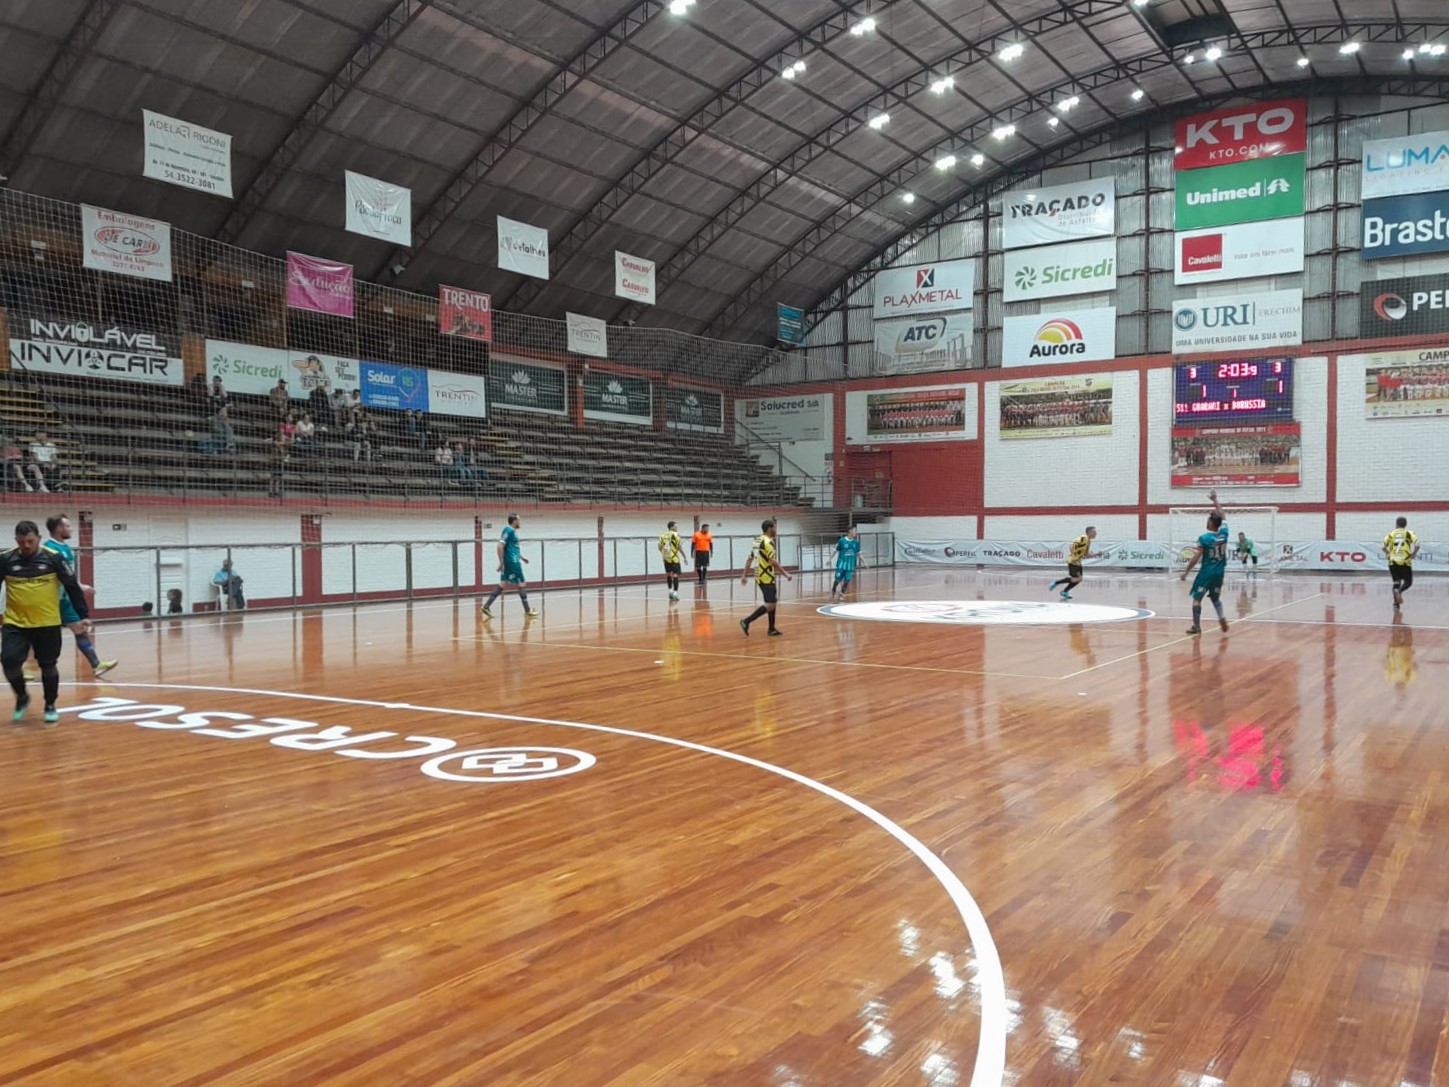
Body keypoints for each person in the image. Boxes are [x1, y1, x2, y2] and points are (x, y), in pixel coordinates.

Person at [0, 520, 91, 724]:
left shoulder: (53, 558)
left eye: (30, 541)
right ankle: (22, 696)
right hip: (15, 623)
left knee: (48, 666)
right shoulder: (6, 559)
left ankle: (50, 705)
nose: (26, 546)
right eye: (21, 542)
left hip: (47, 622)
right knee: (9, 662)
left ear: (39, 539)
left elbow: (71, 585)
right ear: (16, 540)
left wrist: (83, 614)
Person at [36, 515, 116, 678]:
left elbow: (68, 575)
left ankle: (96, 665)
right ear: (59, 528)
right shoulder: (47, 549)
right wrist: (80, 586)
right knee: (39, 635)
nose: (71, 529)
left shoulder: (66, 548)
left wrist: (79, 586)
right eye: (68, 526)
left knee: (79, 629)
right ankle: (26, 668)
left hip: (64, 599)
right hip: (49, 600)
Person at [1180, 491, 1230, 636]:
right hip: (1219, 573)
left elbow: (1196, 557)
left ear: (1212, 523)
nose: (1207, 522)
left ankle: (1196, 626)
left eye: (1208, 520)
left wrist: (1186, 572)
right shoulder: (1224, 533)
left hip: (1206, 572)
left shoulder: (1204, 538)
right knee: (1215, 599)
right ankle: (1221, 617)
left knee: (1197, 598)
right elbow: (1223, 515)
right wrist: (1215, 501)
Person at [481, 514, 539, 620]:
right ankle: (528, 611)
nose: (520, 522)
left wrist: (522, 558)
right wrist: (501, 562)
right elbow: (500, 545)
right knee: (521, 583)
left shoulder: (512, 532)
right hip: (512, 563)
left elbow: (511, 548)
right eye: (519, 520)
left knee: (503, 583)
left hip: (512, 561)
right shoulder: (509, 530)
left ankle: (486, 606)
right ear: (514, 521)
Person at [740, 518, 791, 637]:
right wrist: (786, 574)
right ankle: (746, 621)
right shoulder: (768, 543)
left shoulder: (757, 541)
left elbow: (749, 559)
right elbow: (773, 561)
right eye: (774, 527)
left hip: (759, 575)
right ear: (769, 529)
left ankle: (771, 629)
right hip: (766, 576)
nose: (776, 530)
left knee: (772, 601)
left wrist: (744, 575)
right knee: (771, 604)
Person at [1382, 515, 1420, 611]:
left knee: (1396, 582)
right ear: (1405, 525)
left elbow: (1383, 547)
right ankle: (1399, 591)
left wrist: (1389, 554)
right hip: (1405, 561)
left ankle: (1396, 604)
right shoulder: (1409, 533)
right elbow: (1417, 545)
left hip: (1393, 561)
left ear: (1396, 524)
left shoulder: (1391, 534)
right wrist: (1413, 554)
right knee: (1408, 582)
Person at [1049, 526, 1096, 600]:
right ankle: (1055, 583)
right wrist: (1073, 556)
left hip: (1078, 562)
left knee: (1079, 579)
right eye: (1094, 532)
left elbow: (1086, 554)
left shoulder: (1088, 541)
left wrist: (1096, 554)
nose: (1096, 533)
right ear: (1089, 532)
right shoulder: (1084, 538)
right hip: (1073, 562)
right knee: (1076, 579)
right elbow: (1071, 545)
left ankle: (1064, 591)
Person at [830, 524, 865, 601]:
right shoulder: (842, 541)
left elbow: (859, 553)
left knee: (847, 580)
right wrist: (830, 559)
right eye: (855, 530)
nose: (856, 532)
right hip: (841, 565)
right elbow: (836, 550)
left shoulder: (856, 542)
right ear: (850, 531)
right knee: (837, 580)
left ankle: (841, 594)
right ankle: (833, 589)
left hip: (850, 566)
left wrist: (864, 562)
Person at [658, 520, 685, 601]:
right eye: (676, 526)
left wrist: (665, 554)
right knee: (675, 575)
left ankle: (670, 591)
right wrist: (684, 556)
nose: (677, 528)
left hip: (666, 558)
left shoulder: (662, 535)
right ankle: (675, 593)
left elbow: (659, 547)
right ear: (672, 527)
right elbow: (679, 547)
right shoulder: (676, 535)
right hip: (674, 558)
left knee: (669, 574)